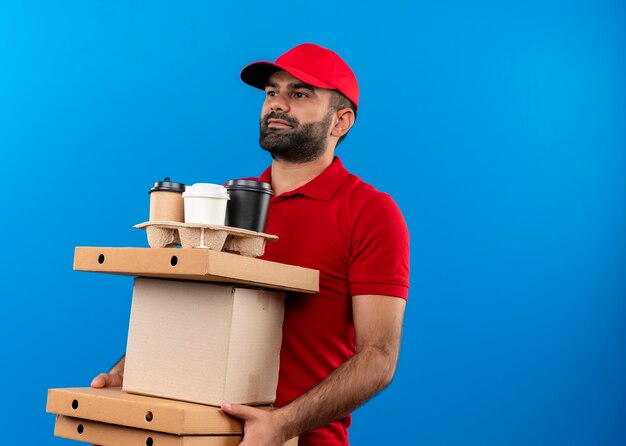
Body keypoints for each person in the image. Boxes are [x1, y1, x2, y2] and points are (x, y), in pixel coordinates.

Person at [91, 43, 410, 446]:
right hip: (203, 436)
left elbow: (379, 357)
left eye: (299, 94)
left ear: (341, 121)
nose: (277, 104)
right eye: (271, 92)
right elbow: (196, 316)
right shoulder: (228, 204)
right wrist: (131, 368)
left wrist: (282, 424)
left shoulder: (370, 212)